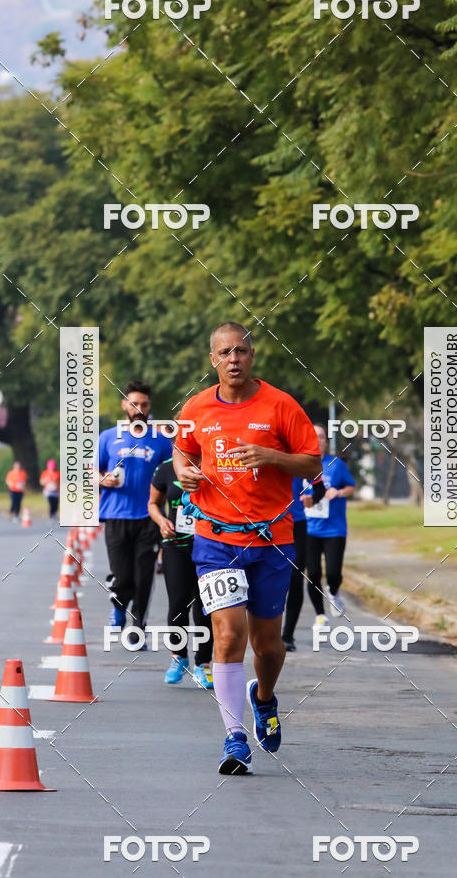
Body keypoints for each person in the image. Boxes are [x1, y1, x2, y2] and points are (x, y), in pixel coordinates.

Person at [174, 322, 321, 775]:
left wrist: (270, 456)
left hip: (272, 539)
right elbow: (182, 451)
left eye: (240, 351)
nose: (233, 359)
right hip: (216, 538)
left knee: (268, 646)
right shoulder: (196, 407)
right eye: (224, 352)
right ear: (213, 360)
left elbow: (313, 464)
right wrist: (184, 472)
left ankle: (264, 696)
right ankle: (235, 738)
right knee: (228, 635)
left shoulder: (280, 405)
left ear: (252, 356)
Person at [98, 380, 172, 637]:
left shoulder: (161, 440)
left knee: (144, 577)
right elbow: (89, 472)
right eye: (134, 404)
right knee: (123, 576)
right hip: (115, 515)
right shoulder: (108, 437)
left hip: (149, 517)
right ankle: (119, 605)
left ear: (149, 406)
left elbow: (171, 474)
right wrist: (103, 479)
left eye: (144, 404)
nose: (139, 409)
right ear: (124, 405)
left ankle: (138, 628)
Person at [148, 457, 214, 688]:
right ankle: (179, 657)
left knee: (205, 605)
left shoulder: (214, 464)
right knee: (178, 604)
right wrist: (161, 521)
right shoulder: (165, 468)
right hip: (176, 547)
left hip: (210, 546)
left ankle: (203, 664)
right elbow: (153, 503)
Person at [305, 424, 356, 622]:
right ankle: (320, 615)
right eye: (314, 436)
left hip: (334, 528)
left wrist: (339, 492)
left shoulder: (336, 464)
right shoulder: (301, 463)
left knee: (333, 573)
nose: (317, 440)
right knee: (313, 573)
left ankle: (334, 592)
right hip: (309, 528)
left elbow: (351, 486)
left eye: (321, 437)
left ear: (326, 441)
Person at [281, 476, 325, 652]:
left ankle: (287, 635)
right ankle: (265, 633)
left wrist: (312, 498)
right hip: (266, 525)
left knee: (295, 577)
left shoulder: (297, 461)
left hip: (296, 525)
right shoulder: (257, 460)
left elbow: (320, 487)